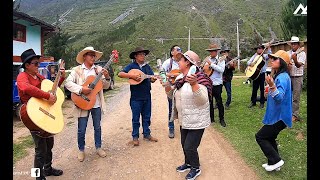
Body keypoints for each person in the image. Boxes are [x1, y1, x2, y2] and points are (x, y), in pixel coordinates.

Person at [163, 50, 212, 180]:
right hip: (185, 119)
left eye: (181, 60)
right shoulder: (179, 78)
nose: (178, 62)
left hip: (197, 120)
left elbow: (202, 100)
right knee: (184, 143)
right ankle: (188, 163)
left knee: (190, 146)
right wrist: (167, 87)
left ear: (188, 63)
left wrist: (194, 84)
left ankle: (195, 168)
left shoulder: (200, 78)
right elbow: (172, 96)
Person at [16, 49, 65, 180]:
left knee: (49, 144)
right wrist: (46, 95)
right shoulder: (22, 77)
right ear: (27, 65)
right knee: (40, 149)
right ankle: (37, 177)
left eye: (38, 63)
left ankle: (48, 169)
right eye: (36, 63)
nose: (38, 66)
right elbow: (26, 88)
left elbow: (52, 88)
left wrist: (61, 77)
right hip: (33, 115)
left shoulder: (39, 77)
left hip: (44, 113)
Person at [64, 46, 110, 162]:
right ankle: (81, 150)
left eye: (94, 56)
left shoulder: (99, 70)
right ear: (84, 56)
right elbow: (67, 83)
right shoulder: (77, 70)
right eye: (91, 55)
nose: (93, 57)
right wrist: (81, 89)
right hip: (83, 102)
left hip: (96, 104)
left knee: (98, 127)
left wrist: (107, 77)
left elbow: (105, 86)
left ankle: (98, 147)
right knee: (81, 129)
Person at [255, 50, 292, 172]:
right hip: (279, 115)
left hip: (279, 117)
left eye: (275, 59)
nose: (271, 60)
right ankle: (274, 163)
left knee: (260, 137)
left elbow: (279, 97)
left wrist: (272, 86)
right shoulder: (281, 76)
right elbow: (275, 94)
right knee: (270, 137)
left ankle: (276, 160)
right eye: (272, 58)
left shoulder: (282, 77)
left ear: (282, 62)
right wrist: (269, 89)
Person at [118, 46, 158, 146]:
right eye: (140, 54)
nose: (143, 56)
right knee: (135, 118)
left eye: (143, 54)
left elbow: (152, 78)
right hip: (136, 97)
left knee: (147, 117)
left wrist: (153, 79)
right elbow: (120, 74)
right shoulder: (131, 66)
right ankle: (135, 137)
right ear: (135, 56)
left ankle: (147, 134)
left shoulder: (147, 67)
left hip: (147, 96)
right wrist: (132, 76)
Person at [161, 45, 182, 138]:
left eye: (180, 49)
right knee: (171, 108)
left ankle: (184, 128)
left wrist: (177, 74)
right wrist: (169, 76)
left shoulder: (183, 61)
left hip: (182, 88)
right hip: (171, 88)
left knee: (183, 108)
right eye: (177, 50)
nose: (179, 51)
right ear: (172, 52)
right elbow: (162, 73)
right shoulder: (167, 63)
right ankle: (171, 128)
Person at [204, 43, 226, 127]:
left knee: (219, 102)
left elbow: (221, 70)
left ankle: (222, 119)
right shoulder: (208, 59)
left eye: (212, 51)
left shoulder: (221, 59)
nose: (211, 53)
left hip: (217, 84)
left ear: (216, 51)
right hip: (208, 83)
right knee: (209, 102)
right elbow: (204, 69)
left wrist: (211, 64)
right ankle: (211, 118)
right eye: (210, 51)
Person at [286, 36, 306, 122]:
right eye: (292, 44)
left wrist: (295, 60)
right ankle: (287, 112)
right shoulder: (287, 53)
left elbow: (298, 65)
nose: (293, 45)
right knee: (287, 95)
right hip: (288, 76)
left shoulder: (302, 53)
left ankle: (295, 115)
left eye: (295, 44)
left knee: (296, 97)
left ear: (298, 45)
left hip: (298, 77)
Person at [247, 43, 272, 108]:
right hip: (255, 74)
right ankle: (253, 101)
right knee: (254, 88)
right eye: (257, 48)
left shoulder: (265, 56)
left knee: (262, 88)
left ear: (263, 49)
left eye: (260, 48)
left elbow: (270, 55)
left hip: (262, 74)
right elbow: (248, 62)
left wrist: (269, 48)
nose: (258, 50)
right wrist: (251, 63)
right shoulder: (254, 56)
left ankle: (262, 102)